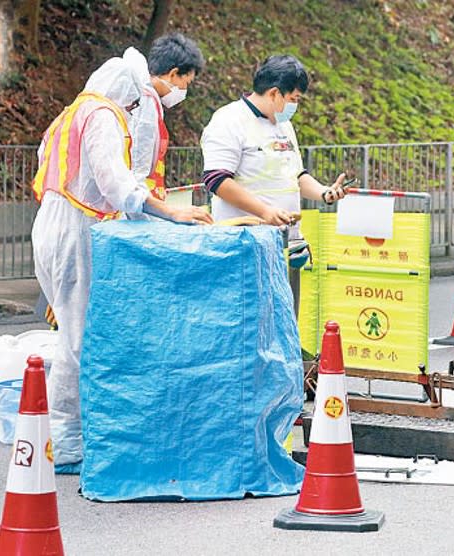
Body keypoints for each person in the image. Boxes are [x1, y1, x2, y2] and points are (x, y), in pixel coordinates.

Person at [31, 54, 212, 472]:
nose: (135, 110)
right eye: (134, 104)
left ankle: (71, 435)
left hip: (54, 222)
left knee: (75, 330)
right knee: (77, 338)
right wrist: (169, 213)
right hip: (76, 229)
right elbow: (116, 180)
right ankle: (67, 441)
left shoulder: (72, 112)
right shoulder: (104, 116)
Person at [200, 54, 346, 313]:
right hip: (246, 242)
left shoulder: (284, 125)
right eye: (294, 99)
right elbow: (217, 180)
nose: (295, 106)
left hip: (287, 241)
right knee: (247, 315)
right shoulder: (229, 120)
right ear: (275, 93)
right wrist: (265, 212)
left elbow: (297, 175)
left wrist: (325, 192)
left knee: (284, 315)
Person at [123, 33, 204, 203]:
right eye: (186, 83)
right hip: (137, 202)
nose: (184, 90)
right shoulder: (145, 102)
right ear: (173, 74)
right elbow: (138, 164)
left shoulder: (146, 99)